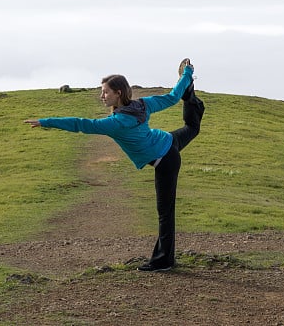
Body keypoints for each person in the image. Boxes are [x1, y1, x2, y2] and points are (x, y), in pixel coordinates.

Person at [24, 58, 205, 272]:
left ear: (118, 93)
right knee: (192, 126)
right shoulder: (142, 105)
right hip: (168, 141)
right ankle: (190, 92)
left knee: (165, 212)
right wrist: (187, 74)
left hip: (166, 160)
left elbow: (81, 124)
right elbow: (172, 97)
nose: (102, 96)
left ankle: (163, 261)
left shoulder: (116, 123)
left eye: (105, 92)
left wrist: (46, 121)